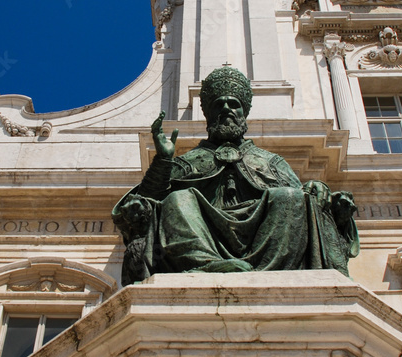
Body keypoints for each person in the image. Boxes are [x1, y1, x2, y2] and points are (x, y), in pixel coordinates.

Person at [113, 67, 359, 285]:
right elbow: (144, 205)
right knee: (178, 199)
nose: (226, 109)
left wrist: (315, 187)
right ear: (208, 114)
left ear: (244, 112)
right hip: (201, 235)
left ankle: (270, 271)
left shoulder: (271, 161)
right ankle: (206, 263)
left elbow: (302, 200)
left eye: (233, 104)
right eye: (218, 104)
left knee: (290, 197)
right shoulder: (187, 160)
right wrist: (163, 160)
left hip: (266, 240)